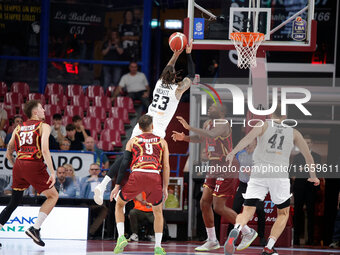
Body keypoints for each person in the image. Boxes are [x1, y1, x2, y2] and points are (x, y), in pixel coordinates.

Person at [94, 40, 194, 206]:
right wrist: (189, 54)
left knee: (127, 155)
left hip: (142, 123)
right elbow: (192, 75)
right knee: (154, 165)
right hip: (156, 131)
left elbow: (167, 69)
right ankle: (154, 193)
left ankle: (104, 184)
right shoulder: (178, 90)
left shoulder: (159, 83)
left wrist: (176, 54)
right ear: (176, 77)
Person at [223, 106, 320, 255]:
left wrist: (233, 152)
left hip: (259, 171)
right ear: (285, 116)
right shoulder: (294, 133)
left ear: (270, 114)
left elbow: (247, 139)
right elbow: (309, 157)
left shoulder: (262, 125)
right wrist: (313, 175)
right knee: (283, 213)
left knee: (248, 210)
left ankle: (237, 229)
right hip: (279, 173)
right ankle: (269, 246)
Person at [172, 103, 256, 252]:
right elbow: (201, 138)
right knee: (204, 202)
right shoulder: (207, 123)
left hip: (227, 165)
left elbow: (211, 135)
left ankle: (248, 232)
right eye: (209, 106)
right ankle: (212, 240)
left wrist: (189, 127)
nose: (210, 108)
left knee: (219, 207)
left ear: (222, 111)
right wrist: (184, 137)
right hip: (214, 165)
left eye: (213, 106)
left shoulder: (223, 124)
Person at [0, 100, 58, 247]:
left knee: (14, 201)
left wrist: (15, 165)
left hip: (19, 164)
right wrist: (53, 172)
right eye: (41, 108)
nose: (44, 110)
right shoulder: (43, 126)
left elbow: (9, 150)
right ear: (35, 112)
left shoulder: (19, 127)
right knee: (53, 196)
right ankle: (35, 228)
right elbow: (45, 150)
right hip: (33, 164)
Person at [111, 114, 169, 255]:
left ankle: (121, 238)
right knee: (158, 212)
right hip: (154, 175)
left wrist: (117, 185)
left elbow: (124, 163)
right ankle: (157, 247)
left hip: (137, 173)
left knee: (119, 204)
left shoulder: (132, 141)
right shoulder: (162, 142)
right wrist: (165, 187)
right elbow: (166, 165)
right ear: (152, 126)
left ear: (139, 127)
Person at [232, 140, 266, 246]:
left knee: (260, 210)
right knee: (235, 209)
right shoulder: (240, 154)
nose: (247, 144)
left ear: (256, 143)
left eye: (250, 142)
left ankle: (261, 237)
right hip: (243, 185)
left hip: (256, 185)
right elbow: (231, 157)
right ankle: (232, 236)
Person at [291, 135, 321, 245]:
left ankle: (311, 239)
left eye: (308, 142)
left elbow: (319, 171)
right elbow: (293, 172)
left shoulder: (317, 157)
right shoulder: (297, 157)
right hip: (299, 187)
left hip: (311, 188)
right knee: (297, 212)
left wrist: (303, 169)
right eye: (305, 142)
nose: (306, 144)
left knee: (311, 213)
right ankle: (296, 238)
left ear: (311, 144)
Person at [80, 163, 111, 237]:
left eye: (96, 169)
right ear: (89, 171)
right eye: (92, 169)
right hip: (86, 203)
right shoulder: (84, 180)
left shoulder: (104, 180)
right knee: (82, 208)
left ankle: (90, 232)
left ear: (99, 170)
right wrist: (88, 182)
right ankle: (82, 232)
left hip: (99, 204)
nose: (94, 171)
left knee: (104, 210)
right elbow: (81, 194)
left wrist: (99, 183)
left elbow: (107, 194)